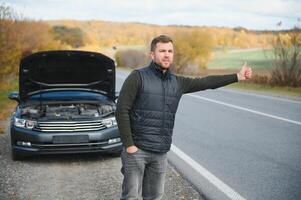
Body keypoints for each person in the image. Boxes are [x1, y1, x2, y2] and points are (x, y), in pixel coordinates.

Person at [115, 35, 252, 200]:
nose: (167, 55)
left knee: (155, 197)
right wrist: (129, 145)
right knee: (130, 197)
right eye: (162, 51)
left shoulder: (178, 82)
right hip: (137, 150)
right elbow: (121, 110)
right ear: (152, 55)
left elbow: (206, 82)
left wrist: (237, 77)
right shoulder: (138, 77)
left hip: (160, 152)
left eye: (170, 51)